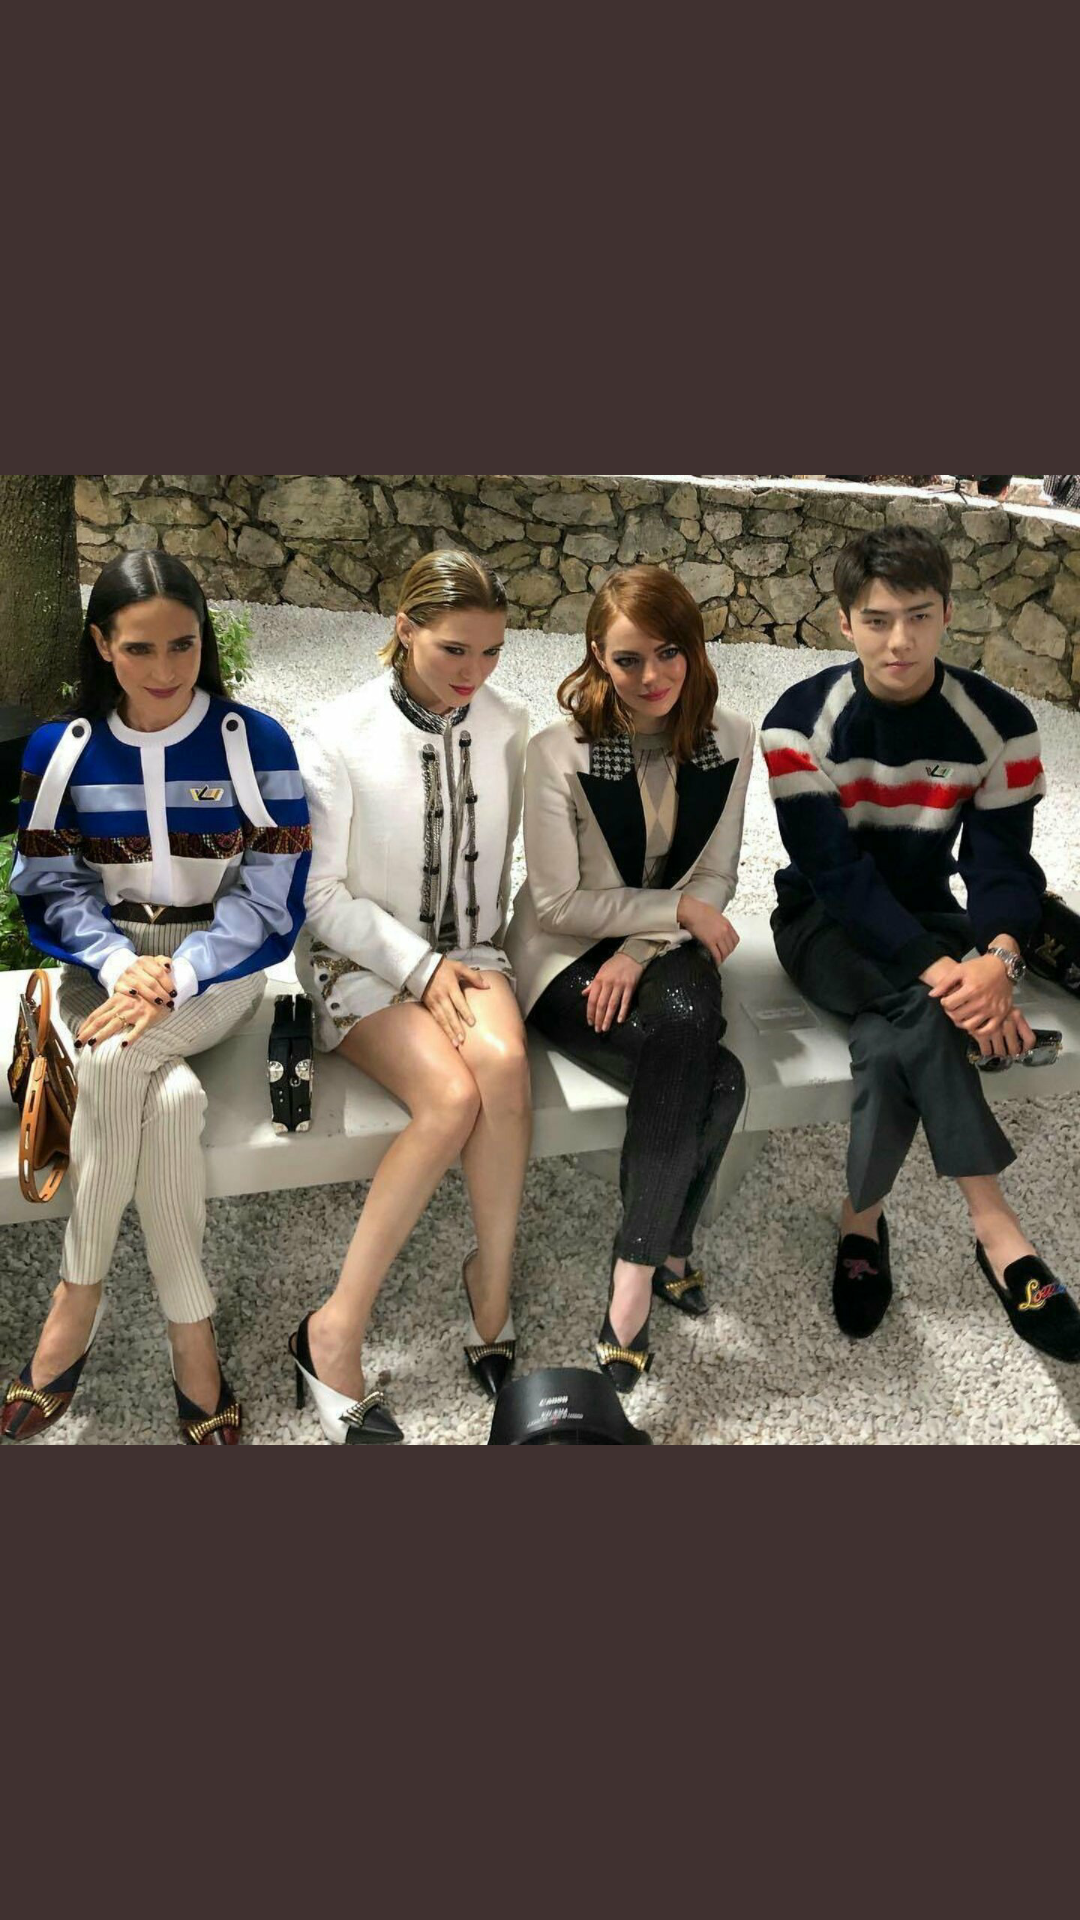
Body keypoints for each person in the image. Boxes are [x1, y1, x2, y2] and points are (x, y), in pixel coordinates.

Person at [3, 551, 310, 1443]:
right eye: (140, 648)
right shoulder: (59, 751)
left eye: (184, 644)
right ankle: (191, 1336)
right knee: (166, 1102)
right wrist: (115, 961)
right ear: (102, 645)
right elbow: (47, 885)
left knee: (115, 1058)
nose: (167, 669)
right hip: (99, 974)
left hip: (221, 973)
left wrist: (180, 973)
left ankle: (74, 1301)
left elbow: (274, 898)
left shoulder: (258, 744)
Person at [762, 523, 1080, 1360]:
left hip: (931, 916)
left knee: (893, 1036)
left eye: (917, 616)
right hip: (821, 923)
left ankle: (860, 1220)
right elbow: (835, 875)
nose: (898, 640)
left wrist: (999, 959)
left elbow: (1001, 862)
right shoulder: (797, 724)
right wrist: (957, 981)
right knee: (925, 1007)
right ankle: (998, 1231)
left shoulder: (1000, 725)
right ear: (844, 623)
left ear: (946, 613)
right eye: (876, 620)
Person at [292, 550, 531, 1443]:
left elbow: (509, 877)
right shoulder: (335, 735)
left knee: (504, 1067)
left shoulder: (508, 727)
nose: (474, 673)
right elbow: (319, 898)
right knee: (451, 1097)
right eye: (453, 650)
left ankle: (490, 1283)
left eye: (492, 651)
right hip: (361, 961)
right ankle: (334, 1329)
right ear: (404, 629)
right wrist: (416, 968)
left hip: (470, 954)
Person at [506, 565, 753, 1392]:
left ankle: (633, 1271)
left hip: (655, 947)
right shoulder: (557, 752)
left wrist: (644, 946)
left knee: (687, 1022)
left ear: (694, 649)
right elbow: (557, 902)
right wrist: (673, 914)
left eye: (669, 652)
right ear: (596, 657)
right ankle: (668, 1249)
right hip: (563, 954)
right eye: (628, 659)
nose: (652, 676)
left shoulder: (731, 737)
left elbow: (715, 875)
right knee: (718, 1080)